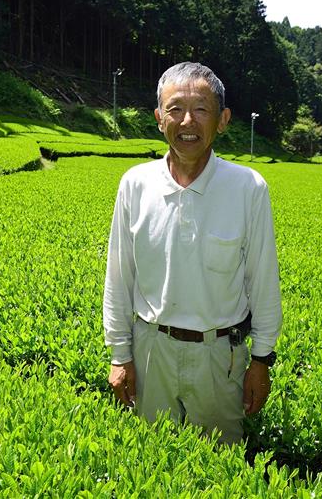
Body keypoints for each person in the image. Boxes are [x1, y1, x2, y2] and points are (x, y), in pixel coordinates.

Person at [102, 62, 282, 444]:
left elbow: (262, 279)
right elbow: (120, 275)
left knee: (220, 465)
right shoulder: (135, 183)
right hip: (150, 350)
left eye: (201, 109)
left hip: (218, 357)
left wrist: (262, 360)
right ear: (158, 118)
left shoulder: (248, 187)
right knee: (151, 461)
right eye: (175, 109)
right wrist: (120, 354)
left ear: (223, 119)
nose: (187, 121)